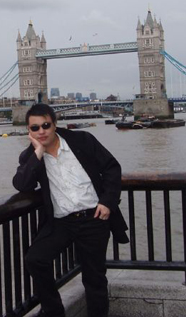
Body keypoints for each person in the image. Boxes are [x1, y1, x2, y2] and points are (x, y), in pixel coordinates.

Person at [13, 103, 129, 317]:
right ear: (28, 131)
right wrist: (38, 152)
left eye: (46, 125)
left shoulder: (82, 140)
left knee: (94, 278)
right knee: (35, 259)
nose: (41, 131)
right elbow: (22, 184)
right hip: (61, 222)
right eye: (35, 128)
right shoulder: (30, 156)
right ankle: (54, 311)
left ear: (55, 124)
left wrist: (107, 202)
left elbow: (111, 167)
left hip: (94, 217)